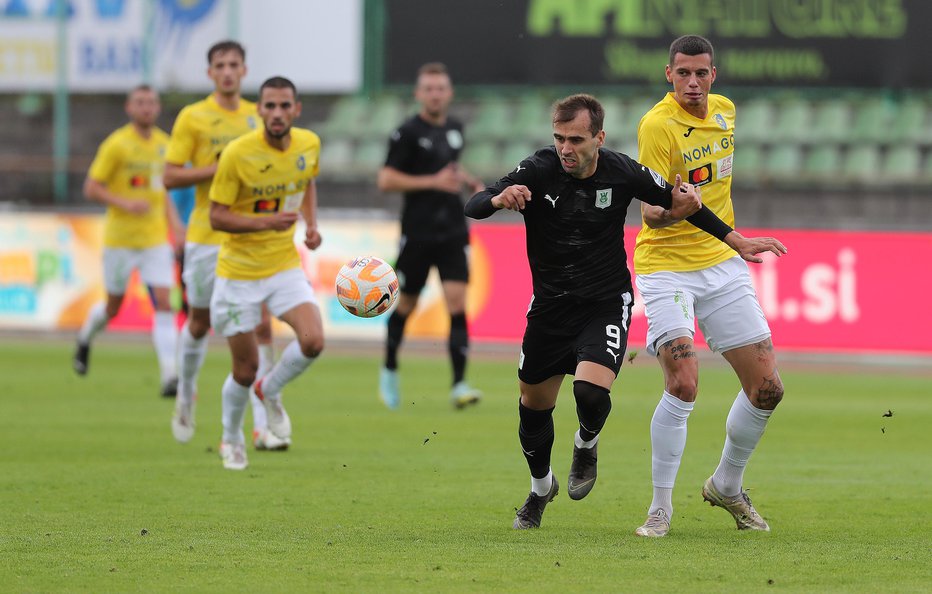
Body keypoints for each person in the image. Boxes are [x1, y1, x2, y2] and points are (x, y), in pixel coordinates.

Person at [464, 93, 785, 529]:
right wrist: (500, 199)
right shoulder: (538, 169)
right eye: (559, 138)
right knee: (533, 405)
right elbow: (475, 203)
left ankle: (586, 443)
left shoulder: (622, 171)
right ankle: (541, 489)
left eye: (575, 139)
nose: (565, 149)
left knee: (590, 393)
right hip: (550, 307)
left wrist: (733, 239)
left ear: (599, 137)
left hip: (606, 302)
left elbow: (679, 203)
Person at [632, 35, 786, 538]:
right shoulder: (657, 126)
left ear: (713, 76)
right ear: (668, 75)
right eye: (683, 74)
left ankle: (727, 484)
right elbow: (650, 215)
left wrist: (733, 240)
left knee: (767, 389)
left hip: (721, 264)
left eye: (701, 73)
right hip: (666, 267)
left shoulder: (725, 112)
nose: (693, 83)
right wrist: (675, 207)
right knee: (683, 381)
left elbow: (715, 190)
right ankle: (660, 508)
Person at [164, 40, 283, 450]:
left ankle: (263, 423)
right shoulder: (193, 118)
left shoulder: (259, 116)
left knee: (262, 324)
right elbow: (169, 176)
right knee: (199, 322)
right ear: (210, 72)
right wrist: (220, 169)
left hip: (251, 237)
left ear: (244, 71)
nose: (228, 71)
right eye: (221, 65)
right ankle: (185, 394)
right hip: (206, 236)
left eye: (235, 64)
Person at [208, 75, 324, 470]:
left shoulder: (309, 143)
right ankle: (230, 439)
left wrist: (310, 225)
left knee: (313, 341)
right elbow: (217, 216)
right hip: (238, 274)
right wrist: (267, 223)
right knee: (244, 367)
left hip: (282, 266)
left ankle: (269, 390)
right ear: (258, 110)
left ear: (296, 109)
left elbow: (306, 182)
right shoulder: (237, 154)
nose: (277, 113)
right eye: (269, 106)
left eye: (284, 105)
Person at [377, 62, 486, 410]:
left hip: (453, 229)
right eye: (429, 88)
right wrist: (432, 182)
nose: (435, 94)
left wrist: (468, 181)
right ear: (418, 93)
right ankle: (390, 369)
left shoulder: (455, 128)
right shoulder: (407, 133)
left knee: (456, 303)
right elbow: (387, 180)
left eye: (441, 88)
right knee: (406, 303)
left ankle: (459, 384)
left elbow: (448, 167)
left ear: (449, 93)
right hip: (418, 231)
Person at [72, 85, 184, 396]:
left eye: (151, 102)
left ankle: (169, 376)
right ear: (129, 107)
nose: (146, 107)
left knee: (164, 302)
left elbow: (165, 193)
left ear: (158, 108)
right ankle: (84, 338)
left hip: (153, 241)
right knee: (113, 307)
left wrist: (175, 228)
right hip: (120, 241)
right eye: (140, 102)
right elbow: (91, 187)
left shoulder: (165, 145)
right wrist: (125, 203)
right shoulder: (117, 145)